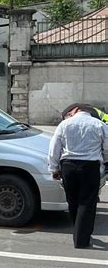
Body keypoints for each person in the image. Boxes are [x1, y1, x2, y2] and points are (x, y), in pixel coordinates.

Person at [48, 104, 108, 248]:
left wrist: (54, 168)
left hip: (68, 166)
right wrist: (105, 163)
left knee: (73, 201)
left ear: (75, 111)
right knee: (87, 203)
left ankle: (78, 232)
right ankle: (81, 238)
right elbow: (107, 149)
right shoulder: (100, 125)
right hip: (89, 167)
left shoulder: (64, 125)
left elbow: (54, 148)